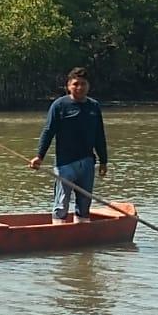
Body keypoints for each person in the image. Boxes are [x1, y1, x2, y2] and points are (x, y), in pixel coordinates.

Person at [28, 67, 108, 224]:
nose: (79, 87)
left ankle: (82, 237)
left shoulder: (94, 106)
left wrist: (104, 161)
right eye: (75, 84)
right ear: (68, 86)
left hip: (87, 162)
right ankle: (58, 232)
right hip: (65, 163)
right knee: (61, 204)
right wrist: (39, 156)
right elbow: (48, 131)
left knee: (84, 203)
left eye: (83, 84)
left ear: (88, 86)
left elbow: (99, 135)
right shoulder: (59, 105)